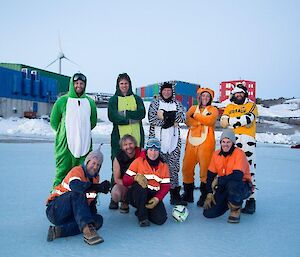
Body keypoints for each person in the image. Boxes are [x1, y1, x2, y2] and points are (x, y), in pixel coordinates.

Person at [46, 147, 111, 245]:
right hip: (56, 210)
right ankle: (88, 233)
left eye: (98, 165)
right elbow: (76, 186)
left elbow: (91, 202)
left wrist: (91, 215)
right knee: (78, 193)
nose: (95, 167)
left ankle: (58, 231)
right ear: (87, 162)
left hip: (71, 215)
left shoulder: (95, 178)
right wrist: (98, 187)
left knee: (97, 220)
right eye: (93, 163)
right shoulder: (77, 170)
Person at [50, 73, 97, 188]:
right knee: (62, 173)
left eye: (81, 83)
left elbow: (93, 122)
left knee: (84, 174)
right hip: (66, 146)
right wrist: (64, 133)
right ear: (72, 84)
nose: (79, 86)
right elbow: (54, 121)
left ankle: (85, 202)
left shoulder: (90, 102)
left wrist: (82, 131)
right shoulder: (62, 101)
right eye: (76, 83)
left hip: (84, 145)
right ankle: (55, 199)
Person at [108, 73, 146, 209]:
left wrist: (124, 114)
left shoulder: (137, 98)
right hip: (119, 138)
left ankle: (133, 196)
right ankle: (114, 196)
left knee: (136, 167)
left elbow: (141, 113)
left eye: (126, 83)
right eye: (121, 83)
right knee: (117, 166)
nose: (124, 86)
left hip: (136, 138)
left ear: (130, 84)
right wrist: (131, 117)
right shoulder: (113, 100)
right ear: (118, 85)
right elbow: (112, 116)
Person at [220, 83, 258, 214]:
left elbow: (248, 118)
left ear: (245, 94)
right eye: (237, 93)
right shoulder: (229, 106)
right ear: (233, 95)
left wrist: (231, 121)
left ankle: (251, 200)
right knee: (233, 170)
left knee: (249, 170)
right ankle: (234, 199)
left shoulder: (251, 105)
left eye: (241, 93)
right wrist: (239, 121)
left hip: (248, 141)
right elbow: (223, 122)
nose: (239, 95)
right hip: (232, 141)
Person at [148, 81, 186, 205]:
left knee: (174, 168)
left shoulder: (177, 104)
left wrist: (164, 116)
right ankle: (153, 193)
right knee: (156, 168)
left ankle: (174, 194)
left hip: (174, 142)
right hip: (157, 143)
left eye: (169, 90)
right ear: (161, 91)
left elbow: (182, 118)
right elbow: (152, 118)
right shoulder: (155, 103)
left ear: (172, 91)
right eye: (164, 90)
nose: (166, 92)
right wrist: (170, 121)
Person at [203, 129, 252, 223]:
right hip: (224, 186)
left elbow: (237, 176)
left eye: (228, 142)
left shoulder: (239, 153)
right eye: (223, 142)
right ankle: (228, 201)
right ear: (220, 142)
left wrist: (219, 180)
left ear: (233, 143)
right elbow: (210, 175)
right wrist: (209, 193)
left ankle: (236, 208)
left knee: (232, 184)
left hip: (242, 186)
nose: (225, 144)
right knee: (208, 213)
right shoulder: (216, 154)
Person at [181, 88, 219, 206]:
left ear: (211, 98)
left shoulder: (213, 109)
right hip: (191, 142)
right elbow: (187, 120)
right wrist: (198, 122)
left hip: (206, 144)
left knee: (205, 171)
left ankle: (204, 195)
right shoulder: (193, 108)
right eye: (203, 96)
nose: (205, 98)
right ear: (199, 97)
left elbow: (209, 121)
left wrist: (196, 116)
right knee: (186, 168)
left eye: (208, 96)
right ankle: (188, 194)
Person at [122, 138, 170, 227]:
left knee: (160, 220)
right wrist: (135, 178)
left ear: (159, 152)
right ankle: (142, 218)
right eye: (151, 150)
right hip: (137, 194)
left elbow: (166, 186)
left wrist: (157, 199)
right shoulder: (138, 161)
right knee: (141, 187)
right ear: (147, 151)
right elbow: (125, 181)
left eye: (156, 150)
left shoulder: (164, 166)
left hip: (152, 195)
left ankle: (143, 209)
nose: (153, 153)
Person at [111, 134, 142, 213]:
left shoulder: (142, 153)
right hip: (125, 184)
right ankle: (124, 202)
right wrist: (129, 186)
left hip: (140, 183)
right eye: (125, 145)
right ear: (122, 147)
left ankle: (142, 205)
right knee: (115, 193)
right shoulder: (118, 158)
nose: (128, 146)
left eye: (130, 143)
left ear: (135, 144)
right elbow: (117, 179)